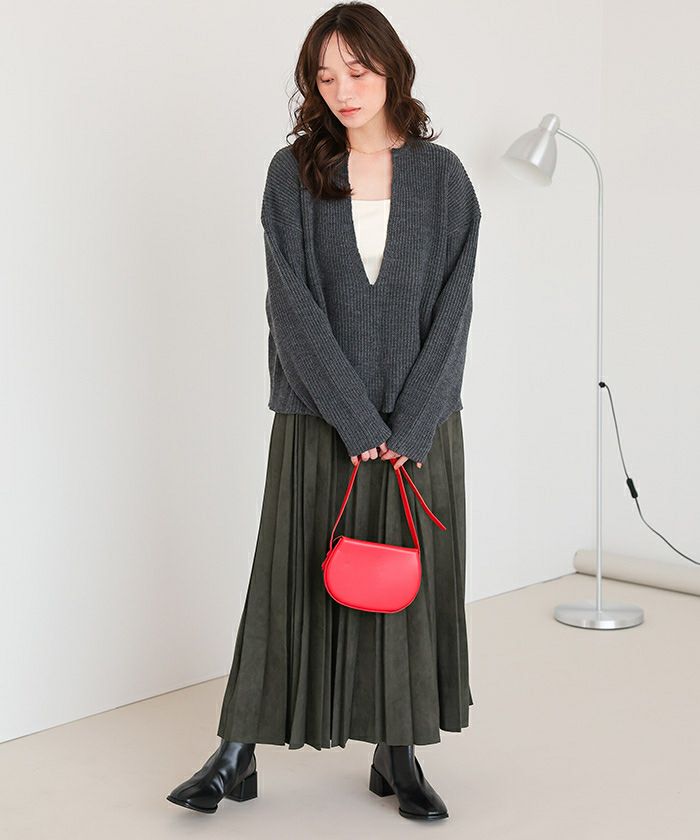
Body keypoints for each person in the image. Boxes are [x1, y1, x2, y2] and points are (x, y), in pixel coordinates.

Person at [166, 1, 481, 822]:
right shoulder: (293, 172)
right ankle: (237, 752)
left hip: (418, 428)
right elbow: (292, 310)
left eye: (358, 70)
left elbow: (454, 309)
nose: (342, 89)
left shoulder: (445, 179)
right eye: (325, 74)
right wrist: (356, 420)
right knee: (288, 580)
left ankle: (397, 750)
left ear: (392, 69)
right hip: (317, 421)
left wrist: (408, 425)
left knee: (404, 586)